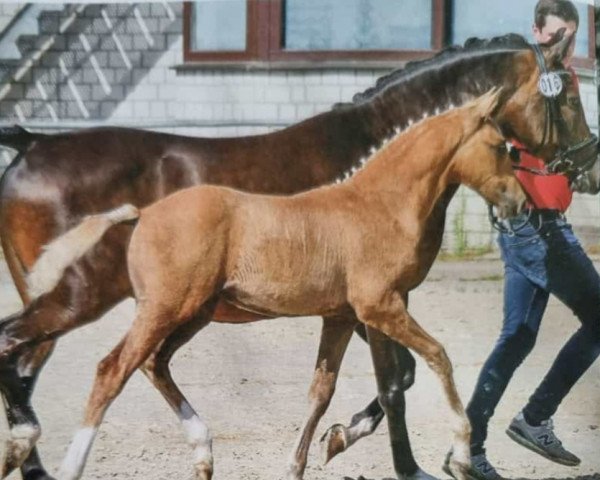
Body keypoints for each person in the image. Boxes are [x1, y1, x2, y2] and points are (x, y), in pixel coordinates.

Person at [447, 1, 600, 479]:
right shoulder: (518, 80)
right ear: (535, 30)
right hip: (534, 226)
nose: (565, 48)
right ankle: (535, 417)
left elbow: (569, 146)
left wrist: (582, 170)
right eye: (556, 37)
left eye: (571, 39)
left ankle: (466, 450)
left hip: (535, 225)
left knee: (517, 337)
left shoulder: (565, 80)